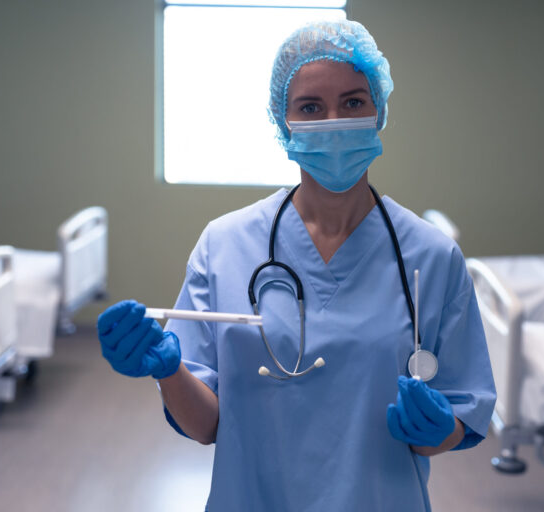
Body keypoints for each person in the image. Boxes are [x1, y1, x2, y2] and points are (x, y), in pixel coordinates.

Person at [97, 19, 495, 511]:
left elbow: (462, 412)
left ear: (380, 111)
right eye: (310, 106)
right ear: (284, 122)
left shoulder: (432, 258)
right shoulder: (225, 245)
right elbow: (205, 426)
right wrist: (168, 370)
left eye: (353, 102)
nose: (333, 120)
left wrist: (439, 429)